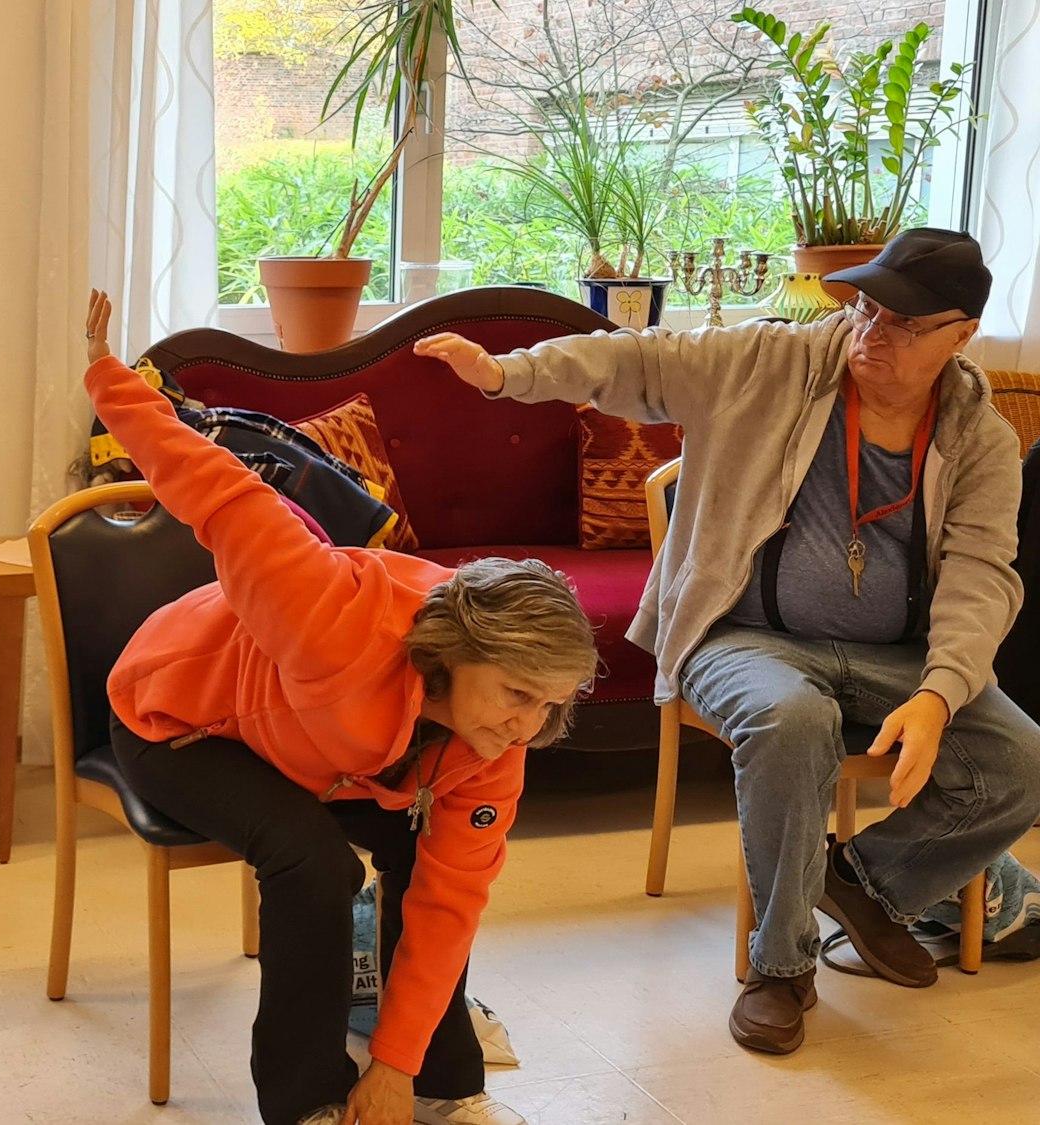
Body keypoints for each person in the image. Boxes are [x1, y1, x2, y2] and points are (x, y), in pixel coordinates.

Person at [416, 228, 1040, 1056]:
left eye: (901, 323)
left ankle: (862, 881)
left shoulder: (981, 439)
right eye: (864, 307)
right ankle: (779, 968)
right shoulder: (769, 362)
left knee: (1019, 756)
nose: (869, 332)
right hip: (745, 636)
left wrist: (938, 691)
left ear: (961, 336)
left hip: (897, 656)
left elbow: (981, 573)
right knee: (790, 720)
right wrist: (506, 374)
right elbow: (637, 361)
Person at [82, 291, 599, 1125]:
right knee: (315, 862)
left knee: (437, 862)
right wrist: (108, 378)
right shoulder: (334, 615)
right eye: (516, 696)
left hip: (341, 750)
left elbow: (449, 902)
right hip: (178, 719)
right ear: (456, 655)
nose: (527, 727)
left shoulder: (502, 733)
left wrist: (393, 1068)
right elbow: (217, 489)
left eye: (548, 706)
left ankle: (438, 1077)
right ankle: (308, 1100)